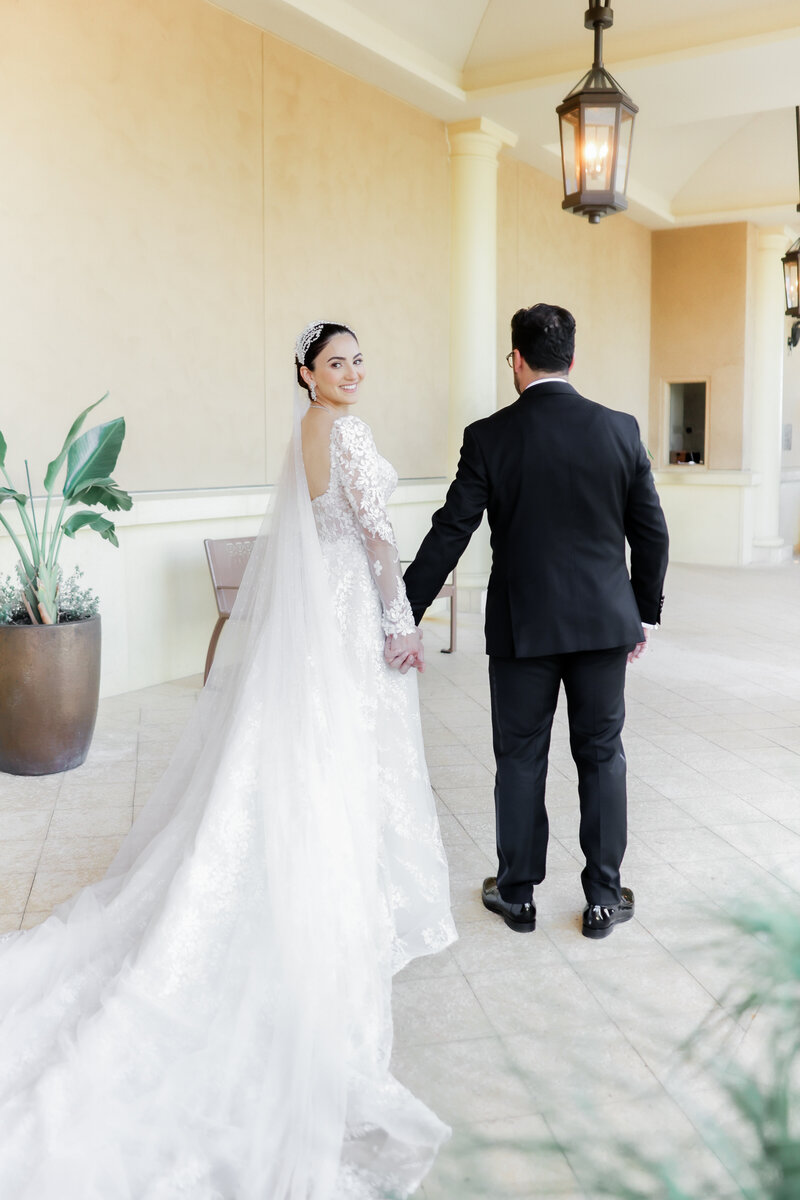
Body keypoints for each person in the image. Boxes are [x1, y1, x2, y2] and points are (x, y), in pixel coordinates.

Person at [0, 321, 456, 1199]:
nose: (353, 374)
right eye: (336, 363)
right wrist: (401, 622)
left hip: (317, 614)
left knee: (304, 747)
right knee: (342, 748)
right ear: (306, 373)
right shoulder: (343, 433)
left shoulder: (305, 433)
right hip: (352, 610)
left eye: (359, 361)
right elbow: (373, 537)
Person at [402, 303, 669, 939]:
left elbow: (451, 532)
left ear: (516, 361)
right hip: (605, 623)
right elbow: (652, 533)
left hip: (524, 629)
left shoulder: (489, 436)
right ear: (572, 360)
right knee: (602, 755)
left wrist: (402, 610)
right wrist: (642, 613)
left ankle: (516, 895)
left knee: (521, 757)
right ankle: (603, 898)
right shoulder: (620, 429)